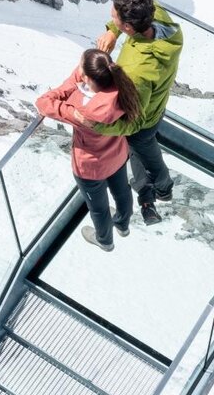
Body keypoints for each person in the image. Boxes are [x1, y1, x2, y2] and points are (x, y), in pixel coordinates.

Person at [77, 0, 184, 225]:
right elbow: (144, 4)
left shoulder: (138, 72)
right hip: (156, 104)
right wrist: (114, 31)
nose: (111, 18)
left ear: (129, 28)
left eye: (114, 17)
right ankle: (147, 194)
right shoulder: (159, 19)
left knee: (145, 150)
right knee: (139, 150)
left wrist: (97, 125)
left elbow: (132, 121)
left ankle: (163, 188)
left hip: (143, 121)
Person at [36, 49, 142, 252]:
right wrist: (85, 72)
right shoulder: (119, 88)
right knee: (122, 192)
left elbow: (43, 103)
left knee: (99, 208)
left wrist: (70, 99)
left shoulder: (83, 109)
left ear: (87, 77)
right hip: (117, 154)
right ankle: (122, 224)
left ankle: (105, 240)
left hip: (90, 167)